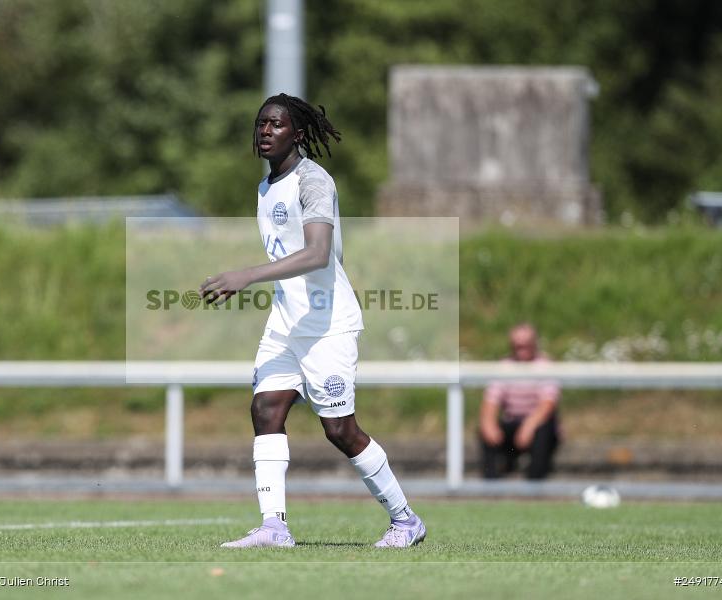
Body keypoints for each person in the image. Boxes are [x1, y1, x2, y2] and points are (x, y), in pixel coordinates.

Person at [199, 93, 425, 548]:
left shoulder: (314, 180)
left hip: (327, 324)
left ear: (298, 134)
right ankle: (274, 527)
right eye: (260, 123)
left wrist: (247, 275)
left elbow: (318, 253)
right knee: (266, 409)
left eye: (276, 125)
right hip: (286, 323)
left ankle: (405, 521)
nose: (264, 131)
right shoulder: (265, 188)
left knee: (340, 430)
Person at [479, 323, 560, 479]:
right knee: (485, 429)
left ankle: (535, 483)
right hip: (513, 423)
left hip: (537, 424)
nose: (521, 350)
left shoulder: (545, 366)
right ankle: (490, 484)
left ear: (534, 344)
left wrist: (529, 426)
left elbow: (548, 403)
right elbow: (491, 399)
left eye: (525, 346)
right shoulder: (505, 366)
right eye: (517, 346)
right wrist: (488, 423)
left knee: (543, 430)